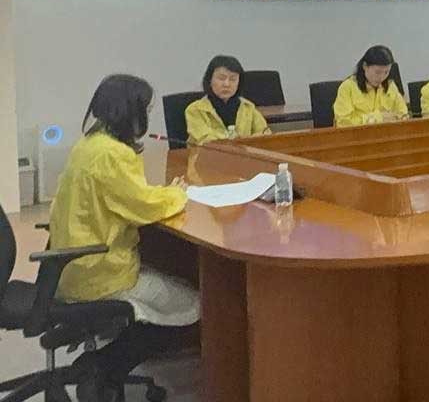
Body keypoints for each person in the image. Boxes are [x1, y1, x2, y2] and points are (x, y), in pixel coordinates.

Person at [50, 75, 197, 400]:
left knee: (169, 285)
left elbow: (125, 196)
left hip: (69, 267)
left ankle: (104, 362)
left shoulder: (88, 145)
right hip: (99, 273)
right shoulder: (113, 154)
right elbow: (141, 206)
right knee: (197, 306)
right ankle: (105, 365)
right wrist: (177, 195)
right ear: (131, 112)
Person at [184, 55, 271, 144]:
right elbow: (205, 140)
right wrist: (240, 141)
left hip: (243, 156)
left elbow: (265, 134)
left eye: (233, 79)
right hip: (208, 156)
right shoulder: (195, 110)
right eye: (221, 78)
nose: (227, 84)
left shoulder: (248, 107)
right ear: (209, 80)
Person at [334, 45, 409, 126]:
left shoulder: (390, 86)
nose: (381, 77)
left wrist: (402, 118)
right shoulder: (347, 87)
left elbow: (403, 113)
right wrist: (378, 118)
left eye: (386, 72)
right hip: (357, 136)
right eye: (377, 72)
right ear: (365, 66)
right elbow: (343, 122)